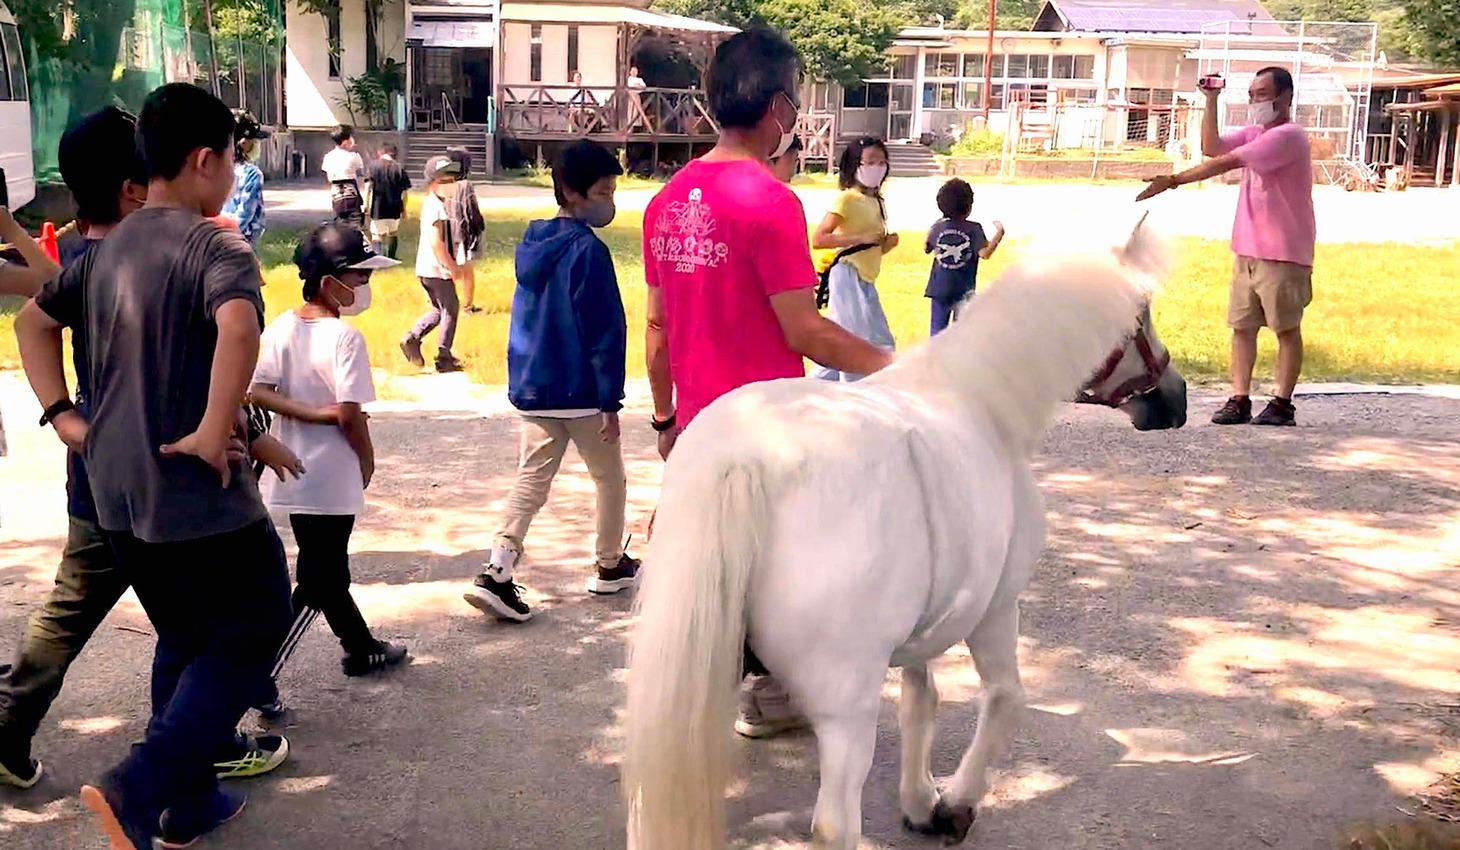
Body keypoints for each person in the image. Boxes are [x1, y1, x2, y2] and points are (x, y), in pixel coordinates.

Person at [14, 83, 294, 849]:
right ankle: (140, 786)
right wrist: (213, 431)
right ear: (204, 161)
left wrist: (64, 418)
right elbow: (238, 327)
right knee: (259, 615)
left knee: (187, 636)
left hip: (115, 493)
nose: (235, 172)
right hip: (195, 491)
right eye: (233, 158)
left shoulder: (105, 248)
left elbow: (30, 321)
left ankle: (188, 803)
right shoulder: (218, 244)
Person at [641, 28, 892, 739]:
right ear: (780, 105)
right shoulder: (771, 201)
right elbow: (804, 332)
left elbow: (656, 332)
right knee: (813, 558)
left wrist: (666, 420)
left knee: (711, 575)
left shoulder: (667, 200)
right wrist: (896, 367)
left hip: (698, 427)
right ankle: (778, 686)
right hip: (769, 425)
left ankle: (716, 700)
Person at [465, 140, 638, 622]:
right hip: (581, 392)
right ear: (572, 191)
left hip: (534, 386)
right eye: (603, 191)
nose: (610, 201)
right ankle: (609, 565)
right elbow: (606, 332)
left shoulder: (532, 241)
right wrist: (611, 402)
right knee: (609, 479)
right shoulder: (588, 252)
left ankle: (497, 570)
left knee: (531, 480)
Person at [250, 221, 410, 687]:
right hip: (334, 477)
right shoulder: (345, 340)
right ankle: (257, 674)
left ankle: (361, 648)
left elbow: (257, 391)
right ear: (329, 283)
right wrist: (365, 457)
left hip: (294, 474)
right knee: (318, 583)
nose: (365, 286)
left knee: (327, 572)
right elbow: (348, 413)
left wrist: (304, 413)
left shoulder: (283, 326)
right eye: (359, 277)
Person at [1137, 66, 1315, 427]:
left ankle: (1282, 403)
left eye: (1262, 93)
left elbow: (1228, 161)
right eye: (1251, 94)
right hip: (1247, 248)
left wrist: (1173, 180)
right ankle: (1240, 398)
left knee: (1285, 329)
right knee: (1242, 328)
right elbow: (1211, 147)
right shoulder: (1256, 133)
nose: (1255, 101)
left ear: (1285, 97)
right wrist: (1211, 100)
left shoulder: (1289, 136)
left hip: (1283, 251)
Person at [810, 136, 899, 382]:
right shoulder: (847, 199)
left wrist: (884, 245)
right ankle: (857, 394)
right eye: (870, 161)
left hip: (865, 277)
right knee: (863, 341)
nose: (877, 167)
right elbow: (820, 238)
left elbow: (869, 248)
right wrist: (859, 239)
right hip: (848, 274)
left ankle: (815, 388)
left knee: (852, 337)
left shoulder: (876, 201)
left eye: (882, 162)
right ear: (854, 165)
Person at [402, 155, 465, 373]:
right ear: (431, 183)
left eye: (453, 181)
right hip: (436, 269)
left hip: (426, 269)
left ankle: (412, 337)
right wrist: (449, 266)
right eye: (444, 182)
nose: (450, 186)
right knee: (451, 308)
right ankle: (444, 355)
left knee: (437, 310)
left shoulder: (435, 204)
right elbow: (436, 241)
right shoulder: (436, 207)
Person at [923, 177, 1003, 335]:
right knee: (961, 334)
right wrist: (999, 234)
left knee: (937, 333)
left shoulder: (938, 226)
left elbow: (927, 247)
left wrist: (935, 226)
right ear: (969, 206)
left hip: (938, 288)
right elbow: (985, 254)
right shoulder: (974, 228)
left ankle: (935, 358)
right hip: (963, 290)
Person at [220, 110, 270, 248]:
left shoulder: (213, 169)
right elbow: (244, 217)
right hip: (241, 245)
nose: (256, 144)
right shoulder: (252, 174)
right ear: (243, 142)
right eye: (254, 140)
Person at [445, 145, 485, 313]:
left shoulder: (444, 184)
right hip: (464, 234)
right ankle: (467, 305)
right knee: (467, 271)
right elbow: (471, 211)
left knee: (450, 270)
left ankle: (448, 304)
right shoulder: (465, 185)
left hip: (447, 232)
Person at [365, 142, 410, 259]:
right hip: (394, 208)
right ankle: (391, 256)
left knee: (376, 234)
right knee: (392, 233)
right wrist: (404, 209)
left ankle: (378, 257)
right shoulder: (399, 168)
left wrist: (366, 204)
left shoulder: (373, 167)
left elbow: (368, 187)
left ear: (381, 152)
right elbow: (404, 192)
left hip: (377, 207)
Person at [323, 124, 366, 230]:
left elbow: (329, 177)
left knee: (340, 222)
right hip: (351, 192)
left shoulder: (328, 156)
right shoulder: (354, 156)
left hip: (336, 194)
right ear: (346, 140)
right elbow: (361, 177)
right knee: (355, 224)